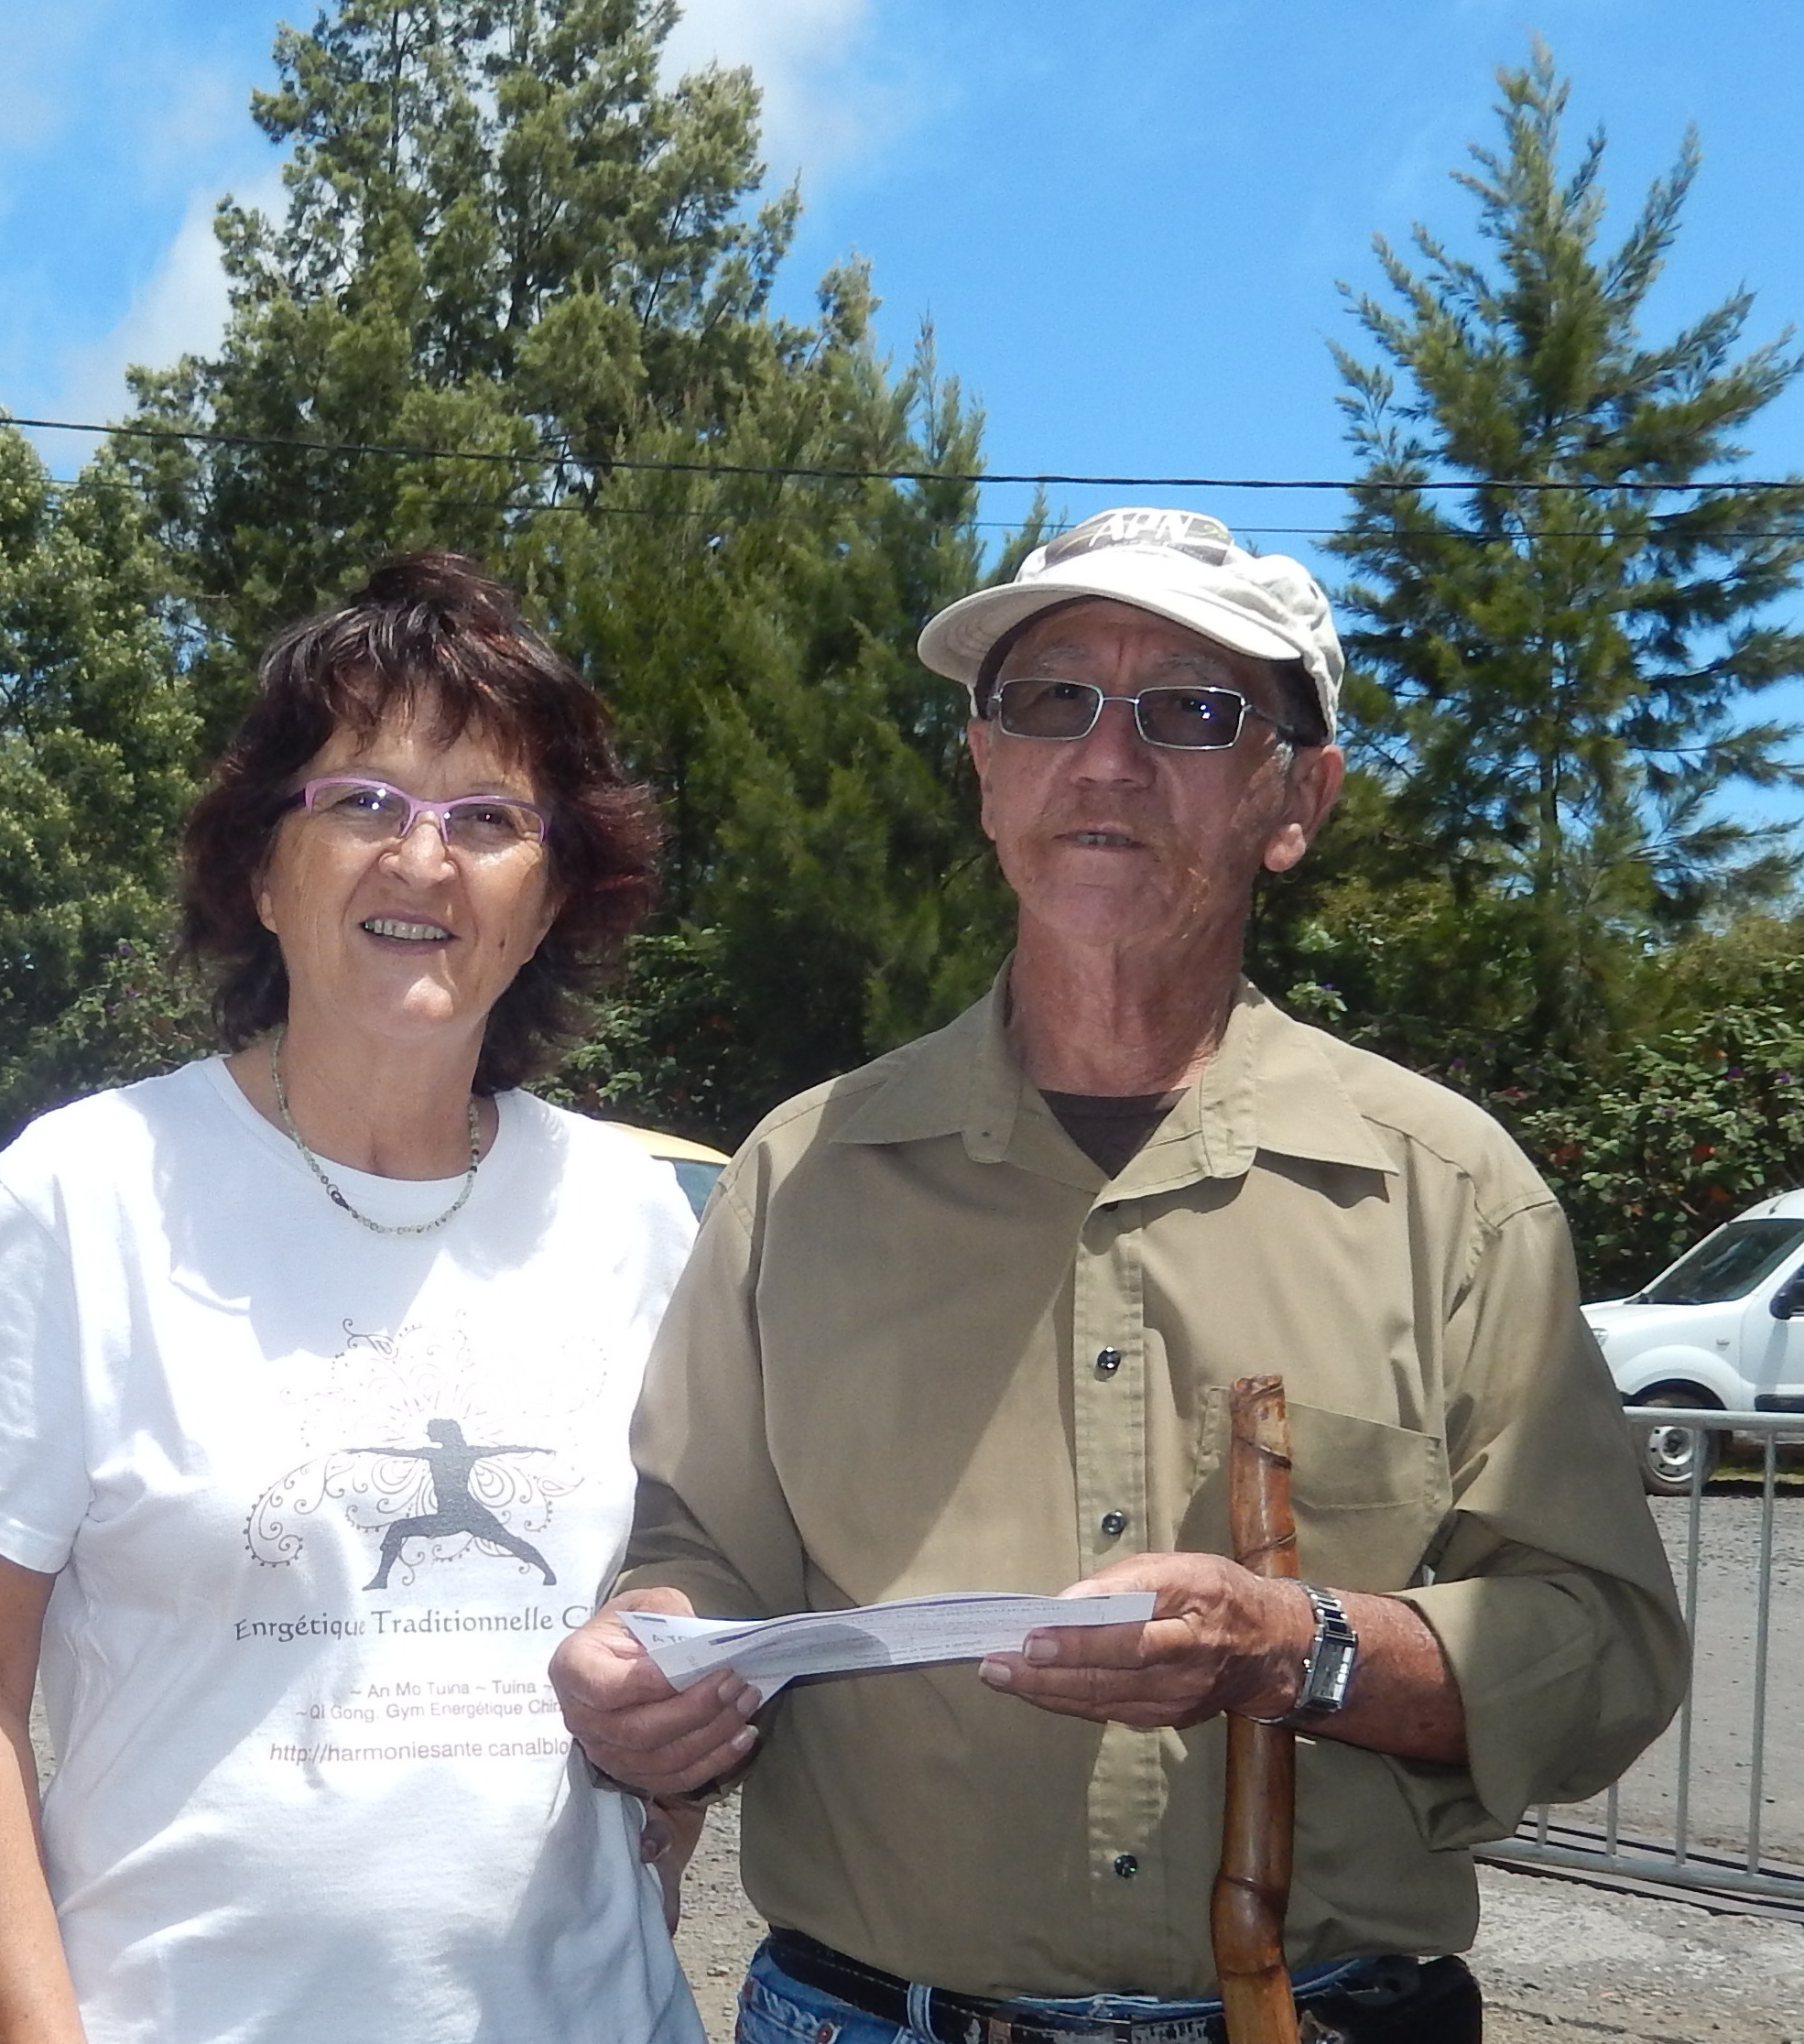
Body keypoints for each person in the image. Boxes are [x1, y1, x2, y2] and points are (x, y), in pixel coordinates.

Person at [551, 507, 1689, 2043]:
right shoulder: (800, 1175)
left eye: (1193, 713)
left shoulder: (1452, 1193)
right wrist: (655, 1657)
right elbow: (706, 1550)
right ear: (986, 771)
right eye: (1050, 700)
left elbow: (1604, 1647)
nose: (1105, 756)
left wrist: (1301, 1650)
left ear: (1300, 799)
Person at [0, 554, 708, 2044]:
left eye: (489, 818)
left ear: (552, 891)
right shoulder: (89, 1192)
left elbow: (670, 1606)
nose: (421, 860)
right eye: (362, 802)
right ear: (263, 870)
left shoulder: (630, 1214)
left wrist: (675, 1751)